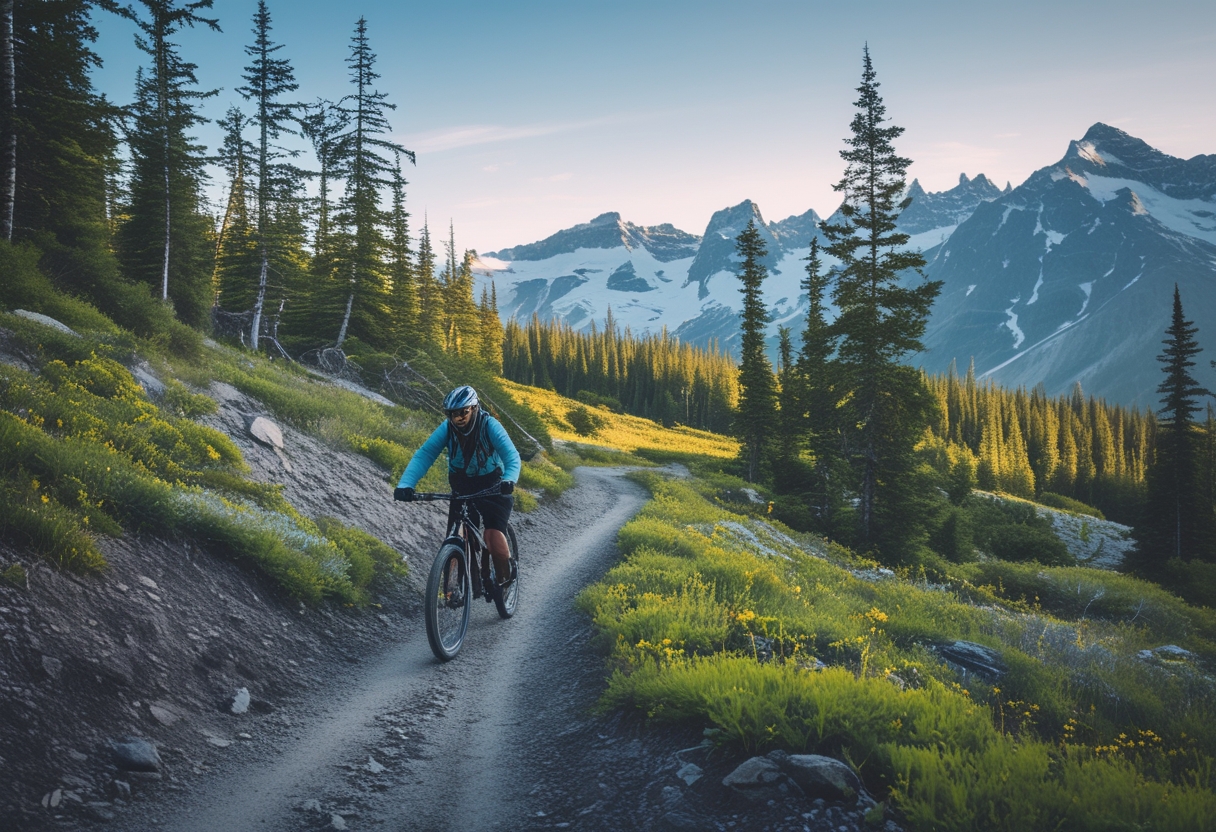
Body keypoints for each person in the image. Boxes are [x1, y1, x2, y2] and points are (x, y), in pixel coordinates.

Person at [393, 385, 520, 595]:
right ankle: (452, 588)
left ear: (474, 408)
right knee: (455, 533)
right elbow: (425, 454)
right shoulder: (447, 429)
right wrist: (405, 485)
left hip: (493, 484)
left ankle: (505, 579)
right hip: (461, 485)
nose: (458, 418)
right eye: (453, 414)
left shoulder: (489, 425)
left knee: (493, 533)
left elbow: (511, 456)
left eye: (463, 412)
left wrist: (509, 480)